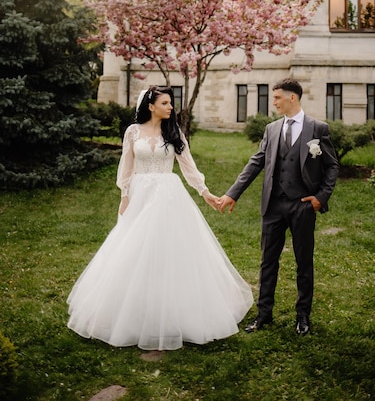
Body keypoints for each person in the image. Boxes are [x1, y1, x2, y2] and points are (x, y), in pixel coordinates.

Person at [67, 86, 253, 351]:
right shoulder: (132, 132)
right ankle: (133, 312)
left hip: (168, 196)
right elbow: (127, 167)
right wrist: (125, 196)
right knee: (134, 249)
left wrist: (205, 192)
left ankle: (176, 313)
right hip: (140, 195)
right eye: (165, 103)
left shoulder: (173, 132)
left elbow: (188, 166)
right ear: (151, 106)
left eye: (171, 103)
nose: (170, 107)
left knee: (171, 251)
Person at [218, 78, 339, 336]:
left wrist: (321, 197)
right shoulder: (272, 129)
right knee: (267, 262)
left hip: (303, 205)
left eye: (277, 98)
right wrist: (233, 193)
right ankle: (264, 315)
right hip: (273, 205)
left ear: (292, 98)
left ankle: (303, 316)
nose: (273, 103)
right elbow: (256, 162)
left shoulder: (318, 128)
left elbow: (332, 166)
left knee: (303, 262)